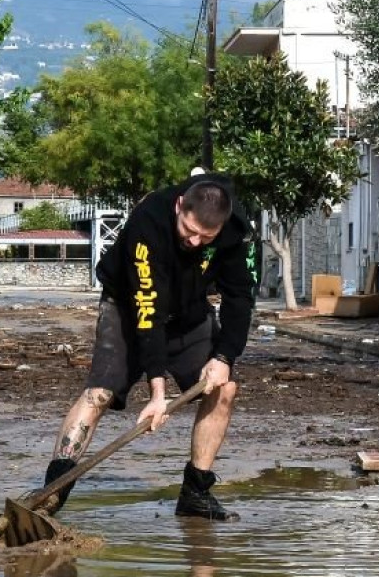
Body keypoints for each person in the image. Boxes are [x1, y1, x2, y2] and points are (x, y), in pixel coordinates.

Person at [39, 173, 255, 521]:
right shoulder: (148, 219)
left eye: (207, 237)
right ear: (179, 206)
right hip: (128, 308)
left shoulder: (237, 230)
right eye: (189, 231)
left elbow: (240, 297)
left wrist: (224, 357)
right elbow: (147, 309)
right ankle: (51, 494)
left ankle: (196, 493)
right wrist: (158, 394)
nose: (197, 243)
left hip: (189, 311)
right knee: (99, 394)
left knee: (225, 388)